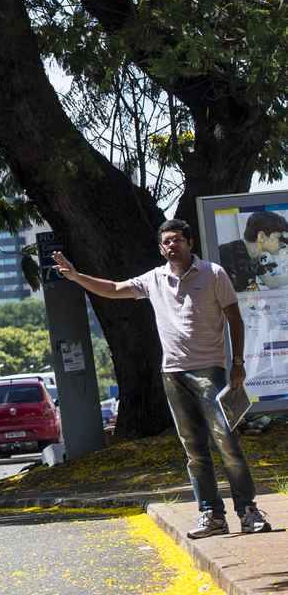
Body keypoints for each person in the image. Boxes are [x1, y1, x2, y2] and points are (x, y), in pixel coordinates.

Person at [53, 220, 271, 538]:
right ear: (160, 248)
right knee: (193, 450)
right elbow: (113, 289)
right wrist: (75, 276)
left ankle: (248, 510)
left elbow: (234, 318)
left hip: (210, 370)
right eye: (166, 242)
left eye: (178, 240)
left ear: (190, 243)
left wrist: (237, 362)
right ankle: (211, 515)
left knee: (226, 442)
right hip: (173, 374)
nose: (172, 245)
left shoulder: (213, 273)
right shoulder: (154, 279)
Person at [219, 210, 288, 292]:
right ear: (261, 237)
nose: (283, 244)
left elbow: (271, 282)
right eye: (278, 238)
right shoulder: (227, 253)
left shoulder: (254, 255)